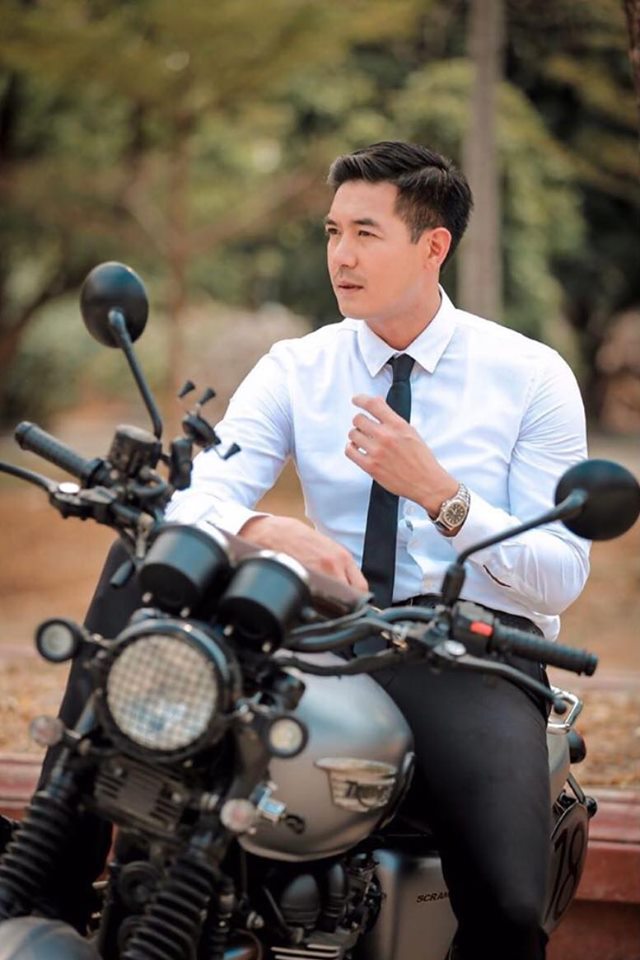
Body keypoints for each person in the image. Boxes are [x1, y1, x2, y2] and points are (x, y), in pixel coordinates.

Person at [8, 141, 590, 956]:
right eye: (331, 232)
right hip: (324, 630)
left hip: (464, 650)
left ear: (433, 245)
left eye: (365, 233)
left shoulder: (530, 375)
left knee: (509, 901)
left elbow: (561, 572)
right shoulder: (300, 365)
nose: (340, 256)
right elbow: (198, 493)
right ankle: (47, 895)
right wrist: (259, 529)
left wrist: (443, 496)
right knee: (141, 564)